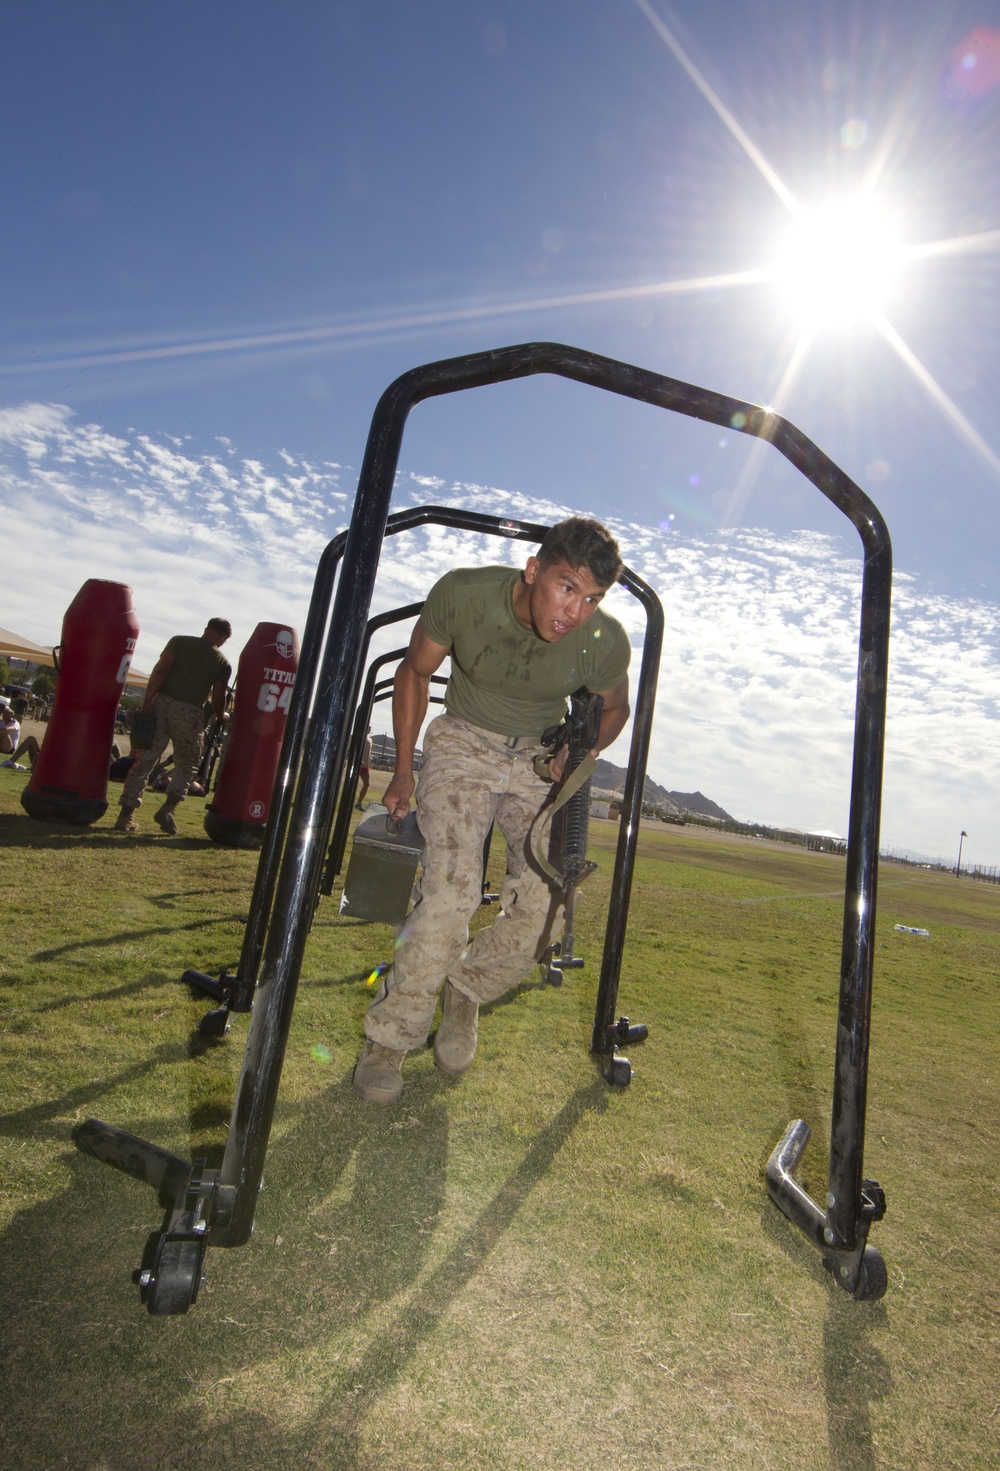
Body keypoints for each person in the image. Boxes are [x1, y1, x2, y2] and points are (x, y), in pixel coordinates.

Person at [353, 517, 631, 1104]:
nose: (576, 612)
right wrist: (403, 771)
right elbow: (415, 671)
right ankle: (391, 1036)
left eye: (593, 598)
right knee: (450, 892)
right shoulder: (465, 594)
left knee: (550, 902)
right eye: (567, 588)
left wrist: (576, 751)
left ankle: (465, 990)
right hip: (463, 741)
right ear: (534, 571)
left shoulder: (603, 640)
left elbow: (615, 709)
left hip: (537, 755)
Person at [114, 618, 232, 835]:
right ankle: (167, 809)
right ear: (223, 638)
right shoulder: (222, 663)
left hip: (160, 704)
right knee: (187, 764)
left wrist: (148, 700)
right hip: (190, 713)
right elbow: (218, 697)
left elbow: (160, 670)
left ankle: (125, 816)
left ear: (206, 629)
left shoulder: (178, 641)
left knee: (145, 760)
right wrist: (221, 715)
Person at [355, 729, 373, 811]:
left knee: (367, 784)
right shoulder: (358, 739)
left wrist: (369, 762)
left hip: (365, 766)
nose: (369, 729)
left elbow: (368, 753)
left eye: (370, 728)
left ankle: (359, 803)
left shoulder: (370, 740)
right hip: (357, 765)